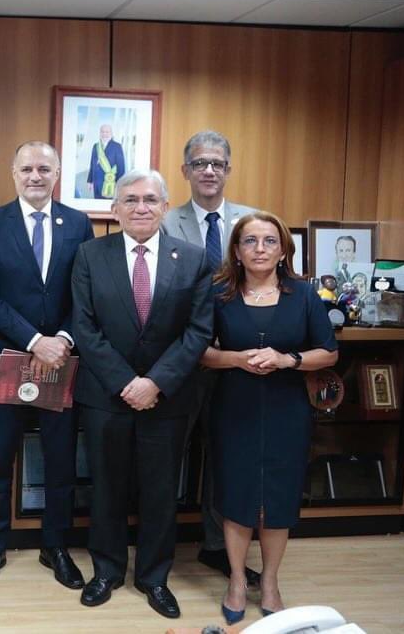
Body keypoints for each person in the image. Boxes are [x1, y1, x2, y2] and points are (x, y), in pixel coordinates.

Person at [71, 169, 213, 619]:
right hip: (105, 396)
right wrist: (124, 382)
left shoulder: (192, 259)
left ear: (165, 207)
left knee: (159, 491)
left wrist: (155, 382)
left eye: (150, 200)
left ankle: (154, 577)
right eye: (130, 200)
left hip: (167, 398)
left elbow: (199, 330)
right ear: (114, 210)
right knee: (106, 488)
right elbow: (84, 326)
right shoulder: (90, 255)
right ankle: (107, 571)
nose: (140, 208)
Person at [200, 211, 338, 624]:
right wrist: (238, 359)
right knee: (238, 495)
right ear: (237, 252)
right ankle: (238, 580)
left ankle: (272, 581)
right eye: (250, 241)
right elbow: (202, 353)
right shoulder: (218, 294)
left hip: (287, 409)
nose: (260, 249)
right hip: (233, 407)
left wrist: (287, 359)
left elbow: (328, 352)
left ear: (282, 250)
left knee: (277, 497)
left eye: (269, 241)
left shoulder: (304, 295)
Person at [0, 141, 94, 590]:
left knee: (59, 461)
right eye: (27, 169)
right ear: (13, 172)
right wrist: (34, 340)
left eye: (44, 168)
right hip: (7, 360)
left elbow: (86, 293)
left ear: (57, 173)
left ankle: (55, 546)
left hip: (61, 360)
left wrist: (60, 339)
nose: (35, 176)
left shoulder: (78, 224)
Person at [162, 130, 260, 585]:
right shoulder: (165, 220)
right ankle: (155, 545)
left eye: (217, 163)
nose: (209, 171)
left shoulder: (252, 223)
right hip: (182, 357)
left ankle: (218, 547)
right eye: (200, 163)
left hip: (238, 360)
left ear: (228, 169)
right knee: (167, 454)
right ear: (185, 171)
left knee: (226, 457)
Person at [86, 124, 125, 200]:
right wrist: (89, 181)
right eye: (102, 132)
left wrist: (120, 185)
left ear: (111, 133)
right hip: (96, 182)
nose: (104, 134)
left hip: (110, 184)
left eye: (107, 132)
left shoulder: (117, 146)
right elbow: (92, 164)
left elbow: (121, 167)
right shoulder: (95, 146)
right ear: (100, 133)